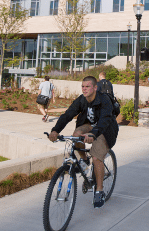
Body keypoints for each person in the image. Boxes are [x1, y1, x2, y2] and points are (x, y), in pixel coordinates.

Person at [48, 76, 119, 209]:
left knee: (97, 157)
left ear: (95, 88)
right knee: (76, 135)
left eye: (87, 86)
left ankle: (99, 191)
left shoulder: (104, 100)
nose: (84, 89)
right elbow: (68, 114)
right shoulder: (82, 100)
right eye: (83, 86)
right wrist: (55, 130)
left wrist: (94, 134)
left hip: (106, 130)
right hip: (91, 127)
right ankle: (85, 160)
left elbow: (104, 120)